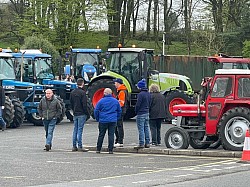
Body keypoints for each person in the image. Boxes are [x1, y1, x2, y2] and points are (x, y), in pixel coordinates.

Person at [94, 88, 121, 154]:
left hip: (103, 120)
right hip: (112, 120)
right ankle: (110, 150)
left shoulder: (101, 101)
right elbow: (119, 111)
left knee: (101, 135)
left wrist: (98, 118)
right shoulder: (115, 101)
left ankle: (98, 149)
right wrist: (116, 118)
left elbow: (96, 110)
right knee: (111, 135)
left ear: (104, 93)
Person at [70, 78, 89, 152]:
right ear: (82, 83)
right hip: (81, 113)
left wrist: (74, 110)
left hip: (75, 113)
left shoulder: (73, 92)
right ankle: (80, 146)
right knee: (80, 130)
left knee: (75, 129)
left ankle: (74, 146)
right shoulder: (82, 93)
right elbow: (84, 104)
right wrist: (87, 113)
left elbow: (71, 103)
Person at [134, 79, 151, 149]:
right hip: (147, 112)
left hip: (141, 113)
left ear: (140, 87)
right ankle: (147, 143)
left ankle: (141, 143)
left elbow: (138, 104)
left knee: (141, 129)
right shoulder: (148, 94)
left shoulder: (140, 94)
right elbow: (150, 103)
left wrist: (136, 111)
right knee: (146, 128)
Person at [113, 78, 128, 147]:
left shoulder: (121, 91)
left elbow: (121, 103)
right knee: (118, 125)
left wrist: (115, 106)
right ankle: (118, 140)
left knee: (119, 125)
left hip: (120, 110)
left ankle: (120, 140)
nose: (114, 84)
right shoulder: (122, 90)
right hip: (121, 110)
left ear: (118, 83)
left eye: (115, 83)